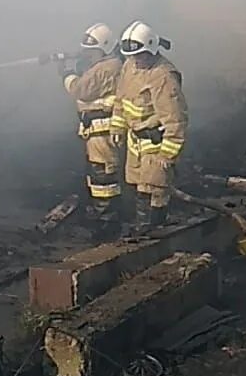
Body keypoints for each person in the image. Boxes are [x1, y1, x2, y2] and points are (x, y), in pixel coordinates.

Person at [110, 21, 187, 234]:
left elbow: (176, 120)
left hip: (156, 144)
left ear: (151, 50)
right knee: (137, 187)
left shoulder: (163, 76)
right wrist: (117, 127)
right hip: (135, 141)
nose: (136, 60)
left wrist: (167, 156)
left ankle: (152, 233)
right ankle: (142, 229)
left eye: (140, 55)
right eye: (131, 56)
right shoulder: (129, 67)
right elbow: (120, 99)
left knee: (153, 189)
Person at [58, 23, 125, 222]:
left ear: (104, 48)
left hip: (102, 131)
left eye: (92, 51)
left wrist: (67, 74)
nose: (88, 55)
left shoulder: (107, 67)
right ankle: (105, 214)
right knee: (99, 175)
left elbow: (81, 90)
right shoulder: (106, 66)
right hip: (97, 131)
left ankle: (106, 219)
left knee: (103, 177)